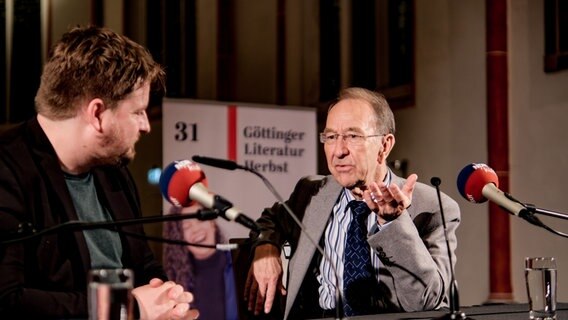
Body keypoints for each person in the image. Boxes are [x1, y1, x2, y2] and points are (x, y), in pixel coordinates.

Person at [0, 25, 199, 319]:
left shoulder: (112, 169)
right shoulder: (7, 170)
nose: (145, 125)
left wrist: (167, 296)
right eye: (137, 111)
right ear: (96, 114)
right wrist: (125, 309)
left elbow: (143, 263)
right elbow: (8, 299)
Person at [244, 87, 461, 319]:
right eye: (330, 137)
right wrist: (266, 248)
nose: (338, 151)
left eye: (353, 136)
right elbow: (271, 219)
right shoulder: (310, 193)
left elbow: (426, 301)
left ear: (384, 146)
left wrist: (394, 224)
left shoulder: (431, 207)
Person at [163, 205, 238, 320]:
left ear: (213, 223)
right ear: (180, 238)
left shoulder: (239, 263)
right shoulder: (175, 283)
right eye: (187, 227)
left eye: (200, 219)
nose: (196, 229)